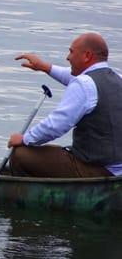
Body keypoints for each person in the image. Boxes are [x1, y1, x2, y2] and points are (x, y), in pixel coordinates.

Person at [7, 32, 122, 177]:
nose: (68, 57)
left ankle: (29, 198)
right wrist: (44, 67)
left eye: (71, 52)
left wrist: (24, 139)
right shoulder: (117, 78)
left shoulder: (83, 85)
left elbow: (56, 125)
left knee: (20, 155)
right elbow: (76, 78)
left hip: (96, 169)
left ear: (87, 56)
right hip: (117, 169)